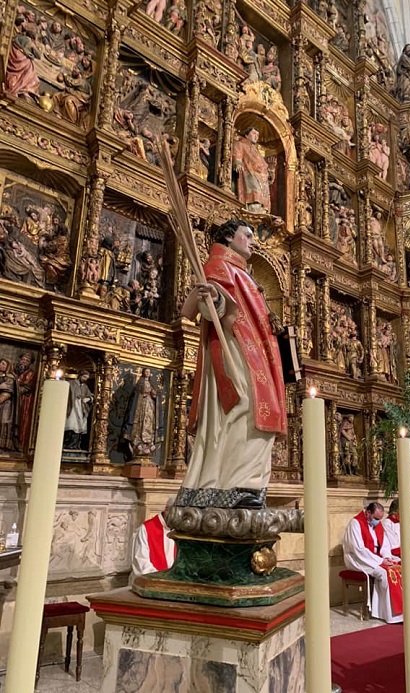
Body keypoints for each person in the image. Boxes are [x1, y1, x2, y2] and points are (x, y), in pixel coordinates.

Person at [177, 219, 287, 509]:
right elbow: (202, 306)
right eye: (246, 235)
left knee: (257, 415)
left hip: (256, 354)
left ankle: (248, 484)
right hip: (237, 352)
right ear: (228, 236)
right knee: (245, 410)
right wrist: (214, 298)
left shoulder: (243, 273)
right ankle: (235, 486)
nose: (252, 240)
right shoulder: (219, 266)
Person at [343, 502, 410, 626]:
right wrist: (381, 561)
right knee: (385, 573)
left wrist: (387, 557)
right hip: (358, 560)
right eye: (376, 518)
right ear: (368, 513)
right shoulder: (356, 524)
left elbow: (385, 545)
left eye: (380, 519)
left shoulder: (377, 524)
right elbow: (358, 549)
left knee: (399, 568)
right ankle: (393, 615)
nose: (378, 522)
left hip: (376, 558)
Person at [120, 368, 164, 460]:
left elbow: (157, 395)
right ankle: (138, 442)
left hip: (150, 405)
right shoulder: (139, 384)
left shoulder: (153, 384)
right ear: (143, 373)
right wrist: (142, 394)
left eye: (149, 372)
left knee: (149, 422)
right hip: (141, 405)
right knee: (140, 422)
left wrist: (154, 394)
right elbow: (136, 396)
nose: (147, 373)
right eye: (146, 372)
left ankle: (148, 442)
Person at [131, 497, 177, 582]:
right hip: (151, 582)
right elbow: (141, 562)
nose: (179, 519)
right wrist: (162, 580)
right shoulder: (146, 529)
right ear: (167, 509)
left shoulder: (179, 531)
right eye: (176, 514)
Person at [232, 127, 273, 213]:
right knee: (254, 190)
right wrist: (238, 162)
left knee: (262, 194)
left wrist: (269, 172)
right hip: (249, 171)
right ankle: (252, 208)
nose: (256, 136)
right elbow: (237, 153)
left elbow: (263, 163)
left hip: (262, 177)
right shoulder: (241, 143)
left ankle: (262, 209)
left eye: (257, 135)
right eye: (254, 133)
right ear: (246, 135)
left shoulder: (256, 150)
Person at [63, 370, 94, 450]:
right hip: (72, 407)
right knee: (71, 425)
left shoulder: (85, 387)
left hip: (81, 409)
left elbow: (91, 397)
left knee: (79, 427)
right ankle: (67, 444)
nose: (85, 379)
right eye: (84, 377)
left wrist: (88, 399)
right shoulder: (71, 383)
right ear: (80, 375)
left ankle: (75, 445)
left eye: (87, 378)